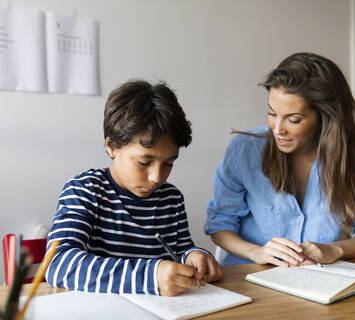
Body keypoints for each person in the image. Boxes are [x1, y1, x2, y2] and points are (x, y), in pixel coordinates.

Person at [204, 52, 355, 267]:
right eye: (272, 113)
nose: (277, 130)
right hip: (250, 276)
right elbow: (220, 224)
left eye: (293, 119)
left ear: (326, 117)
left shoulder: (352, 152)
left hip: (318, 280)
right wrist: (257, 253)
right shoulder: (245, 150)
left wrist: (335, 249)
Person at [46, 80, 223, 296]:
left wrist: (195, 256)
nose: (156, 177)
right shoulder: (85, 191)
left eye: (169, 163)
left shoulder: (171, 199)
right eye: (144, 162)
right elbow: (58, 264)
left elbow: (180, 250)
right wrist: (149, 277)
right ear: (111, 146)